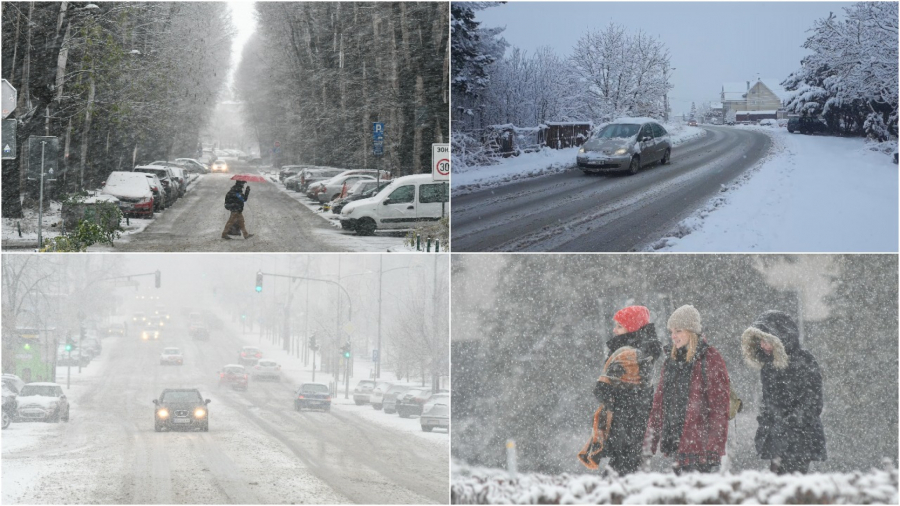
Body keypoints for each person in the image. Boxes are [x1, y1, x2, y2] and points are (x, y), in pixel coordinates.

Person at [644, 305, 730, 474]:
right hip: (677, 446)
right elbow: (659, 405)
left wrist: (714, 449)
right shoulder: (671, 361)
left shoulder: (709, 358)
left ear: (691, 331)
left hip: (702, 450)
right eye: (671, 331)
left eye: (678, 330)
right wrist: (648, 445)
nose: (673, 336)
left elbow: (719, 407)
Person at [741, 310, 826, 475]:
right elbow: (768, 402)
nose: (763, 346)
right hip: (778, 438)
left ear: (781, 339)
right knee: (779, 484)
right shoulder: (769, 366)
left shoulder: (804, 361)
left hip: (800, 439)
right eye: (760, 341)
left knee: (792, 484)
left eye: (767, 341)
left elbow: (813, 403)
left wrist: (789, 423)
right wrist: (767, 422)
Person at [582, 305, 663, 475]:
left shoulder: (626, 354)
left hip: (624, 422)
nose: (614, 330)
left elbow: (603, 389)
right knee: (626, 470)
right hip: (636, 421)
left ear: (631, 328)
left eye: (619, 326)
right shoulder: (644, 352)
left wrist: (608, 393)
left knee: (618, 475)